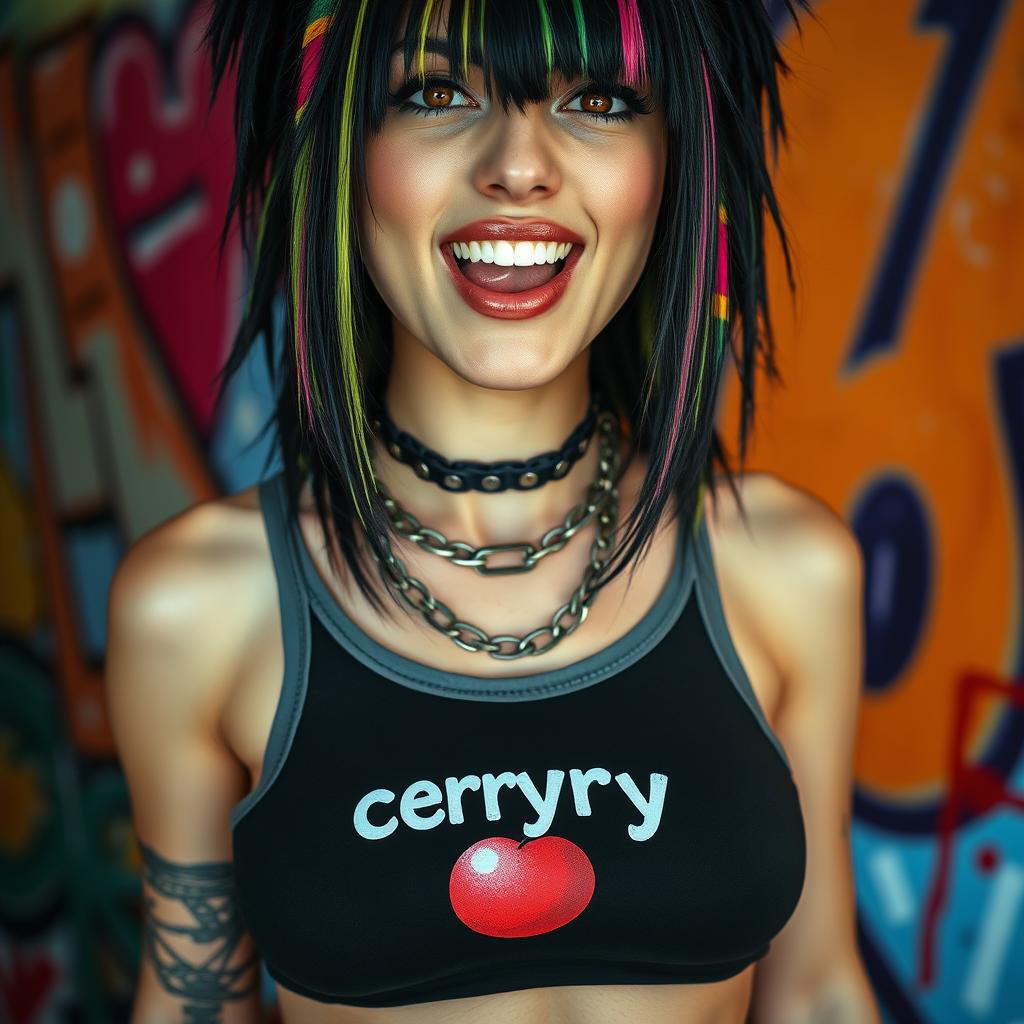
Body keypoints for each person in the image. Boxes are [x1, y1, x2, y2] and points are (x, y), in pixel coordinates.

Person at [105, 0, 881, 1021]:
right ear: (340, 149)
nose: (519, 165)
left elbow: (817, 990)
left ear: (672, 163)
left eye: (598, 99)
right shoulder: (199, 607)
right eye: (434, 93)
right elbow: (194, 999)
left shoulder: (784, 567)